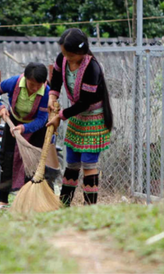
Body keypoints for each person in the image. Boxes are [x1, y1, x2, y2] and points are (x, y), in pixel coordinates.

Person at [47, 28, 113, 206]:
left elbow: (84, 102)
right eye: (64, 53)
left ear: (81, 52)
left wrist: (60, 116)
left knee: (89, 163)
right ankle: (64, 204)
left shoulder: (92, 68)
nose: (66, 58)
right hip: (76, 116)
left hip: (93, 117)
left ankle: (89, 207)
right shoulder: (63, 58)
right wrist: (52, 96)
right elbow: (57, 80)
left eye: (70, 55)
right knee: (72, 161)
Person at [0, 62, 59, 209]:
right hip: (13, 121)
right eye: (31, 84)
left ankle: (29, 202)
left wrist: (24, 128)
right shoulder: (13, 82)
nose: (34, 88)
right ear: (25, 78)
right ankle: (3, 202)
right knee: (7, 160)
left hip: (36, 128)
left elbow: (41, 120)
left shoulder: (46, 93)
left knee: (33, 164)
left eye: (38, 85)